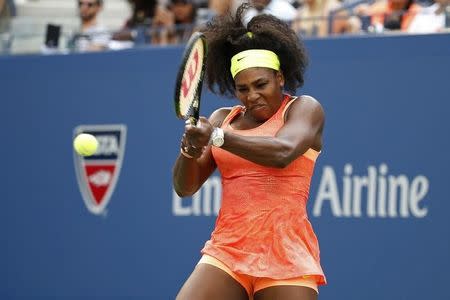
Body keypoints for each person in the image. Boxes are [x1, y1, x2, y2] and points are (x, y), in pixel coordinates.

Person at [173, 4, 326, 300]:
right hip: (227, 249)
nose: (252, 95)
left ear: (280, 77)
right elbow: (185, 187)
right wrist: (190, 151)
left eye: (261, 84)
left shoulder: (305, 109)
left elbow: (283, 152)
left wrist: (216, 137)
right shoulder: (223, 118)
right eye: (242, 88)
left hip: (286, 252)